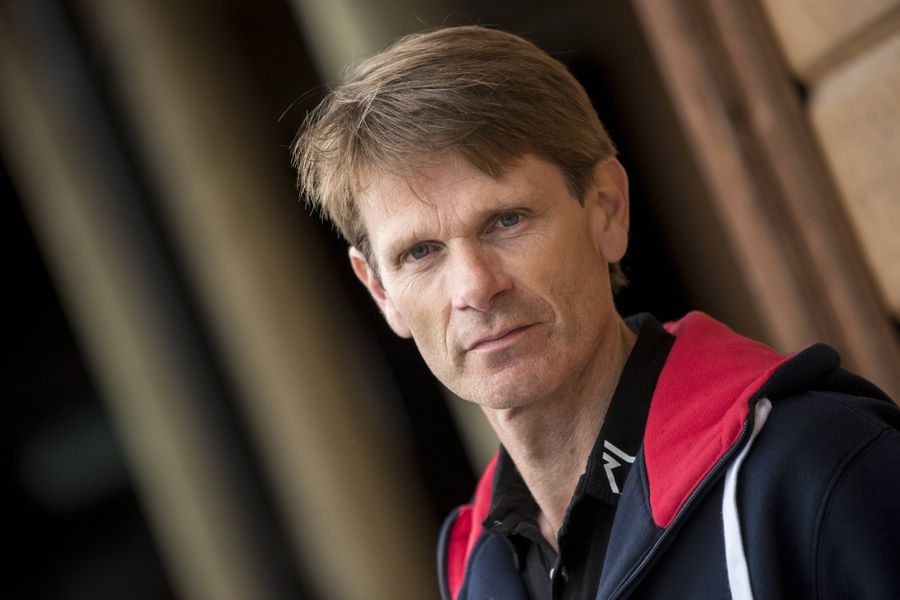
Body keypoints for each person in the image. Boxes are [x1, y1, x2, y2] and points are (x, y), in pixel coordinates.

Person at [292, 25, 900, 600]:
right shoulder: (474, 570)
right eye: (420, 253)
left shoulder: (820, 464)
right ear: (380, 292)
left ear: (607, 210)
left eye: (507, 220)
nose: (474, 287)